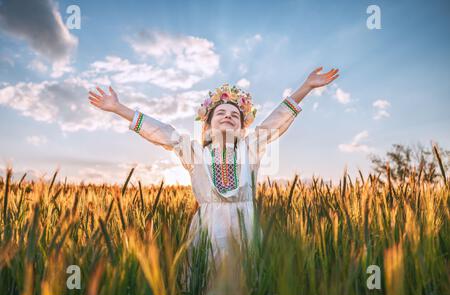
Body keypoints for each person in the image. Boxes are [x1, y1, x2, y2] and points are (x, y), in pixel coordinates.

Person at [87, 67, 339, 268]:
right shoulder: (194, 152)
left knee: (246, 280)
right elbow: (163, 132)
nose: (228, 115)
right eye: (221, 113)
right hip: (208, 228)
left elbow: (274, 121)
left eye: (234, 114)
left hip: (246, 227)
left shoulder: (250, 148)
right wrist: (119, 108)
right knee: (206, 277)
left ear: (242, 127)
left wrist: (306, 87)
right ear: (206, 126)